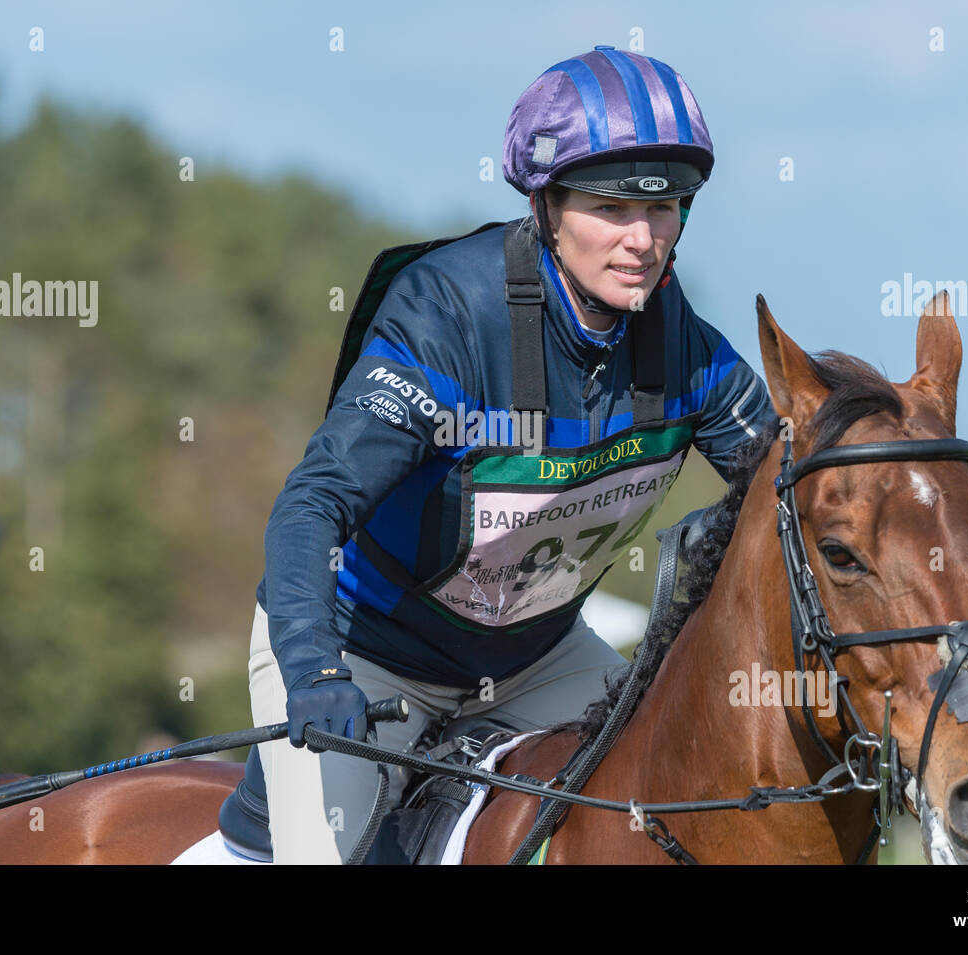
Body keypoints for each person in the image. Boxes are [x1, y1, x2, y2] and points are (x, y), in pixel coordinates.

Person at [248, 45, 777, 863]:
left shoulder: (689, 350)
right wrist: (316, 672)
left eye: (666, 206)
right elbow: (309, 507)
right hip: (368, 651)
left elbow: (796, 496)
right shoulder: (444, 316)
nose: (644, 238)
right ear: (548, 203)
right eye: (612, 207)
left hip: (539, 657)